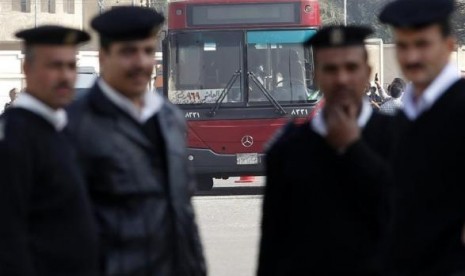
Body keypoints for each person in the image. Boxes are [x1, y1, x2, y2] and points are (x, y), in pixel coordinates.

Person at [66, 6, 206, 276]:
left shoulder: (170, 119)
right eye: (128, 52)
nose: (141, 63)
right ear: (103, 57)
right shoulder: (75, 127)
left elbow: (184, 216)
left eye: (147, 51)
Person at [257, 25, 393, 275]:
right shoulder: (287, 149)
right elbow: (273, 245)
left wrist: (353, 148)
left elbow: (406, 216)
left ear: (367, 73)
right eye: (330, 69)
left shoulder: (399, 137)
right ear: (316, 77)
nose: (341, 79)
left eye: (351, 68)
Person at [0, 25, 98, 275]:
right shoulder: (14, 136)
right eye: (54, 66)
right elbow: (8, 237)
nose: (65, 76)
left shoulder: (62, 128)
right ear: (27, 69)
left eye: (70, 66)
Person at [378, 0, 465, 274]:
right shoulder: (405, 116)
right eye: (403, 46)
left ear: (448, 45)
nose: (412, 56)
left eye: (423, 44)